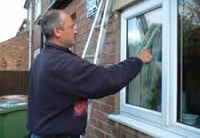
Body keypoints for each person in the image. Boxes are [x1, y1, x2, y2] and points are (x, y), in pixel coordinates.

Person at [27, 9, 152, 138]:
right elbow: (108, 80)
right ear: (57, 31)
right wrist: (138, 60)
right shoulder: (64, 63)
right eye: (71, 27)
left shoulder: (41, 58)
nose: (76, 31)